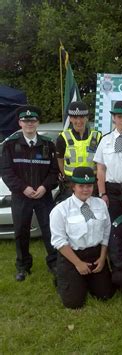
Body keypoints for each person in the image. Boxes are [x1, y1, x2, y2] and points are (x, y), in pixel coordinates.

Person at [0, 105, 58, 281]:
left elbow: (55, 172)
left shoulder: (48, 144)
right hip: (21, 196)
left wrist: (43, 187)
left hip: (43, 196)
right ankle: (23, 266)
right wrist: (23, 188)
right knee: (21, 232)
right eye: (25, 121)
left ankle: (54, 263)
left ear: (38, 122)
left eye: (32, 120)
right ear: (20, 123)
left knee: (50, 231)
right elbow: (6, 172)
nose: (29, 124)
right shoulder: (10, 145)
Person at [50, 167, 114, 309]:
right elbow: (59, 241)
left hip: (96, 254)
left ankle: (85, 280)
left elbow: (106, 232)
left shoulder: (101, 204)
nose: (86, 190)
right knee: (74, 303)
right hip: (72, 256)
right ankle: (63, 277)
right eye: (81, 186)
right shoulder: (60, 210)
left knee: (105, 295)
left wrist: (103, 258)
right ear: (73, 186)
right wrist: (78, 263)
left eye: (89, 186)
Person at [56, 101, 101, 201]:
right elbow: (60, 160)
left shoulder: (97, 136)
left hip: (91, 184)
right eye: (75, 117)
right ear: (70, 119)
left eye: (81, 117)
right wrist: (66, 176)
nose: (79, 121)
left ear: (87, 118)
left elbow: (100, 163)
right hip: (71, 184)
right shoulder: (62, 138)